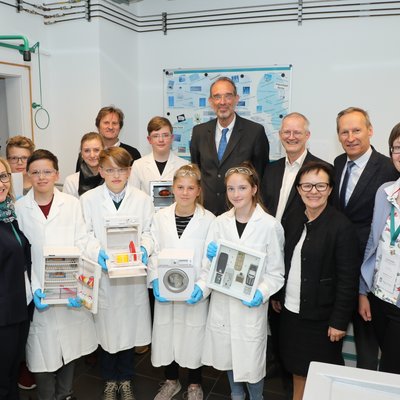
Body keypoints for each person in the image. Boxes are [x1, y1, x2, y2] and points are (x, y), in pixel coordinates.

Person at [196, 163, 285, 400]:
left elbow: (276, 273)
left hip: (249, 306)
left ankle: (257, 397)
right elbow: (208, 268)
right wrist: (205, 272)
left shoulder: (269, 225)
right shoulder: (219, 222)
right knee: (228, 355)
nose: (236, 194)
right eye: (231, 189)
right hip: (224, 303)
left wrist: (262, 292)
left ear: (254, 188)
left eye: (242, 188)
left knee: (251, 360)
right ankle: (236, 394)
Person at [15, 149, 98, 400]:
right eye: (36, 172)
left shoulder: (71, 204)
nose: (42, 177)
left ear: (57, 174)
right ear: (28, 176)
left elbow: (82, 241)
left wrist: (87, 276)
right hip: (37, 289)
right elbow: (18, 255)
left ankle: (66, 394)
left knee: (69, 349)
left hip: (69, 287)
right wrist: (34, 288)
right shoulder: (19, 208)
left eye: (47, 171)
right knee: (41, 354)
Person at [274, 161, 360, 400]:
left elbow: (347, 279)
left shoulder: (341, 227)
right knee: (296, 368)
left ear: (330, 189)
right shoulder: (292, 219)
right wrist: (278, 297)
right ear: (299, 190)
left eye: (320, 186)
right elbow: (282, 262)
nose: (314, 191)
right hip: (291, 313)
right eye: (307, 186)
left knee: (321, 374)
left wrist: (340, 321)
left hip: (323, 321)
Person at [80, 147, 154, 400]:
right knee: (108, 331)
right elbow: (83, 235)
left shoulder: (142, 199)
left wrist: (145, 248)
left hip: (132, 277)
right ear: (100, 171)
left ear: (129, 171)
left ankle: (126, 378)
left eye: (121, 169)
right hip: (105, 277)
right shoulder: (88, 199)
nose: (116, 174)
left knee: (129, 330)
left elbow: (150, 232)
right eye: (110, 169)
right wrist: (96, 251)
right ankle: (110, 380)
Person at [333, 107, 399, 370]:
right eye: (344, 132)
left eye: (357, 130)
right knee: (333, 336)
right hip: (339, 268)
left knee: (369, 347)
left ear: (370, 131)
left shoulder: (388, 169)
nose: (351, 137)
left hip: (373, 277)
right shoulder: (337, 164)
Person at [148, 164, 215, 400]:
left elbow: (211, 260)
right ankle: (171, 381)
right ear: (172, 189)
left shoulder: (209, 220)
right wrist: (155, 279)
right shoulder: (160, 218)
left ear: (198, 190)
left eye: (190, 188)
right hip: (167, 289)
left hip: (193, 289)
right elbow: (154, 252)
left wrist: (202, 287)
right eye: (180, 187)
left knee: (193, 336)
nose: (185, 192)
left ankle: (195, 384)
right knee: (167, 336)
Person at [190, 77, 269, 216]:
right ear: (210, 101)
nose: (222, 102)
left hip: (241, 213)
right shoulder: (199, 132)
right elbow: (197, 171)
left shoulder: (255, 132)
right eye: (217, 97)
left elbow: (260, 175)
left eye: (228, 96)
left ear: (236, 99)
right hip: (205, 212)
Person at [359, 123, 400, 374]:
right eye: (397, 148)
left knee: (391, 372)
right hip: (379, 298)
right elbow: (373, 245)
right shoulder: (385, 193)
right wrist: (363, 291)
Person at [0, 157, 33, 399]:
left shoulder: (9, 215)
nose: (1, 183)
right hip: (3, 314)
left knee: (11, 372)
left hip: (18, 307)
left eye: (3, 176)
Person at [261, 112, 326, 224]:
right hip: (270, 237)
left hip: (303, 238)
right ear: (280, 135)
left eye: (297, 132)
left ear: (307, 135)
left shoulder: (322, 170)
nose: (291, 137)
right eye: (286, 132)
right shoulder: (270, 169)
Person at [129, 116, 188, 195]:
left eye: (165, 135)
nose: (161, 140)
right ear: (149, 140)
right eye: (156, 136)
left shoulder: (184, 165)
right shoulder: (138, 165)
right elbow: (133, 196)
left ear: (172, 138)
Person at [75, 106, 141, 171]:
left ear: (120, 127)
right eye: (106, 123)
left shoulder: (133, 153)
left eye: (114, 123)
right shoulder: (87, 155)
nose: (110, 127)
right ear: (98, 126)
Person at [64, 132, 105, 198]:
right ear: (82, 154)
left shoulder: (111, 178)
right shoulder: (71, 181)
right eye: (87, 151)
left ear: (103, 151)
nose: (92, 155)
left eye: (96, 150)